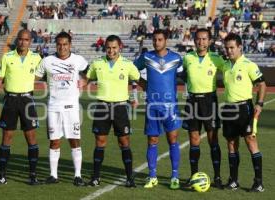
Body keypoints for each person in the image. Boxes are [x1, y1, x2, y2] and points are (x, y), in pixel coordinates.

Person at [86, 35, 140, 187]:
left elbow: (137, 79)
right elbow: (86, 79)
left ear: (120, 47)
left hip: (120, 108)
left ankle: (130, 177)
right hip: (102, 106)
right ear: (105, 48)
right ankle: (96, 177)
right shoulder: (97, 63)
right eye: (108, 47)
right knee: (100, 142)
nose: (111, 50)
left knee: (124, 142)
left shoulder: (128, 64)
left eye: (114, 47)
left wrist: (135, 97)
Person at [35, 32, 88, 186]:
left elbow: (91, 72)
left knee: (74, 140)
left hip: (71, 107)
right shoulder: (47, 61)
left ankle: (77, 175)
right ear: (55, 45)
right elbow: (35, 77)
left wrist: (85, 80)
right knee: (54, 141)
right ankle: (53, 175)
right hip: (53, 107)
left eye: (65, 44)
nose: (62, 47)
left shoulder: (78, 60)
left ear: (70, 45)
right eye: (59, 44)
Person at [0, 29, 42, 185]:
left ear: (30, 41)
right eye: (20, 39)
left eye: (26, 40)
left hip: (27, 100)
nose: (23, 42)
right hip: (10, 100)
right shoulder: (7, 57)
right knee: (7, 137)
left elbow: (42, 74)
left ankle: (32, 175)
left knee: (31, 137)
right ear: (17, 40)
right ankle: (2, 175)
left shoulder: (37, 58)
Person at [134, 29, 183, 190]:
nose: (156, 42)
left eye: (160, 39)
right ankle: (152, 175)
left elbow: (186, 76)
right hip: (152, 106)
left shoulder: (176, 58)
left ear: (166, 40)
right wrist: (144, 84)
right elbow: (133, 72)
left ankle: (175, 176)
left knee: (173, 140)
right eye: (154, 39)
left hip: (171, 107)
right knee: (152, 141)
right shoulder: (147, 57)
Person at [221, 33, 266, 192]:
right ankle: (233, 180)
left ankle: (258, 182)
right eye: (227, 48)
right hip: (228, 108)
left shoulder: (249, 65)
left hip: (244, 108)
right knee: (231, 144)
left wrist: (259, 103)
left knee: (250, 142)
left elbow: (262, 84)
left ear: (240, 47)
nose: (229, 51)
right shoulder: (225, 65)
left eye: (232, 48)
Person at [182, 28, 225, 189]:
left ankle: (218, 177)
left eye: (204, 39)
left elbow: (230, 70)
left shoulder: (216, 59)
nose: (201, 42)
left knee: (213, 140)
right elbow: (181, 74)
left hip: (209, 102)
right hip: (192, 101)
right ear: (194, 40)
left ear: (210, 41)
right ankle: (193, 176)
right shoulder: (188, 58)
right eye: (198, 39)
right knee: (194, 140)